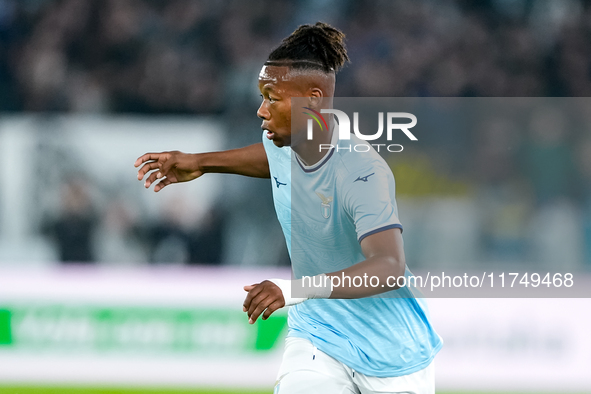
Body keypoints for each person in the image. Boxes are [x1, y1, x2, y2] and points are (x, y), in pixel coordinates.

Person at [135, 22, 441, 394]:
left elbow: (388, 267)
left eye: (271, 97)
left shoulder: (360, 170)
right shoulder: (284, 146)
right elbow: (268, 158)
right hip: (317, 335)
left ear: (311, 99)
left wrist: (292, 290)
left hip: (391, 351)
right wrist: (200, 162)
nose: (261, 111)